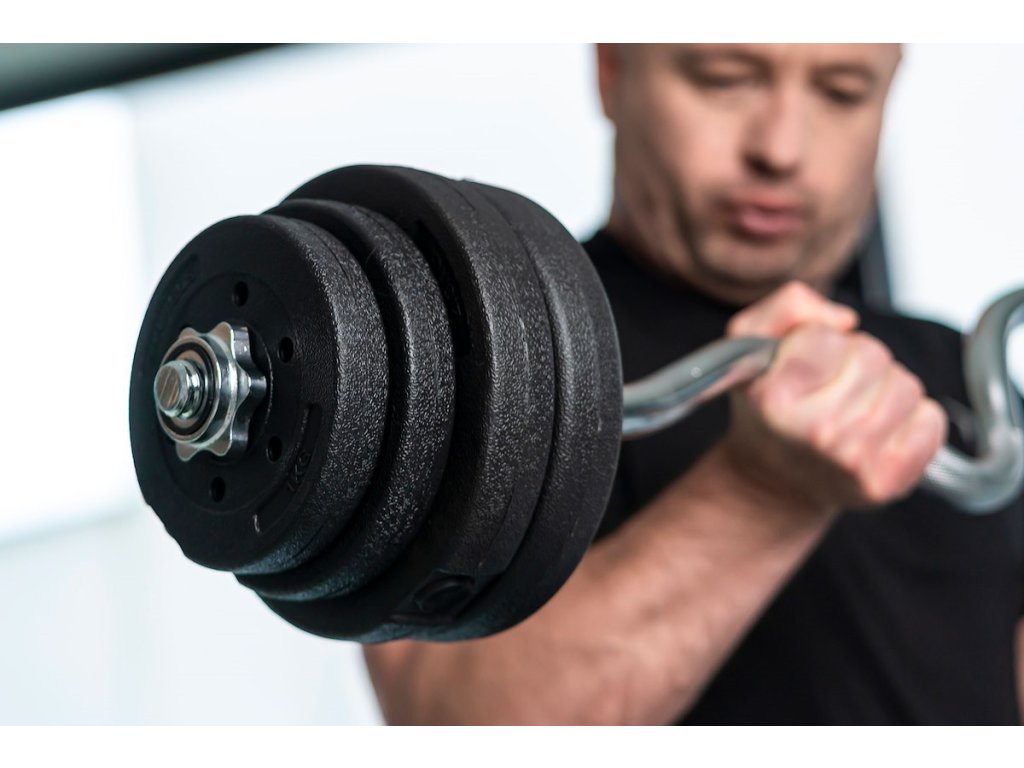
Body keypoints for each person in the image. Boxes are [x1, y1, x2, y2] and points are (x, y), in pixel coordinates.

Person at [362, 44, 1024, 724]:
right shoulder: (472, 356)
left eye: (842, 91)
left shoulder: (956, 372)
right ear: (612, 72)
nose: (781, 149)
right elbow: (449, 722)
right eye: (725, 79)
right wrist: (761, 492)